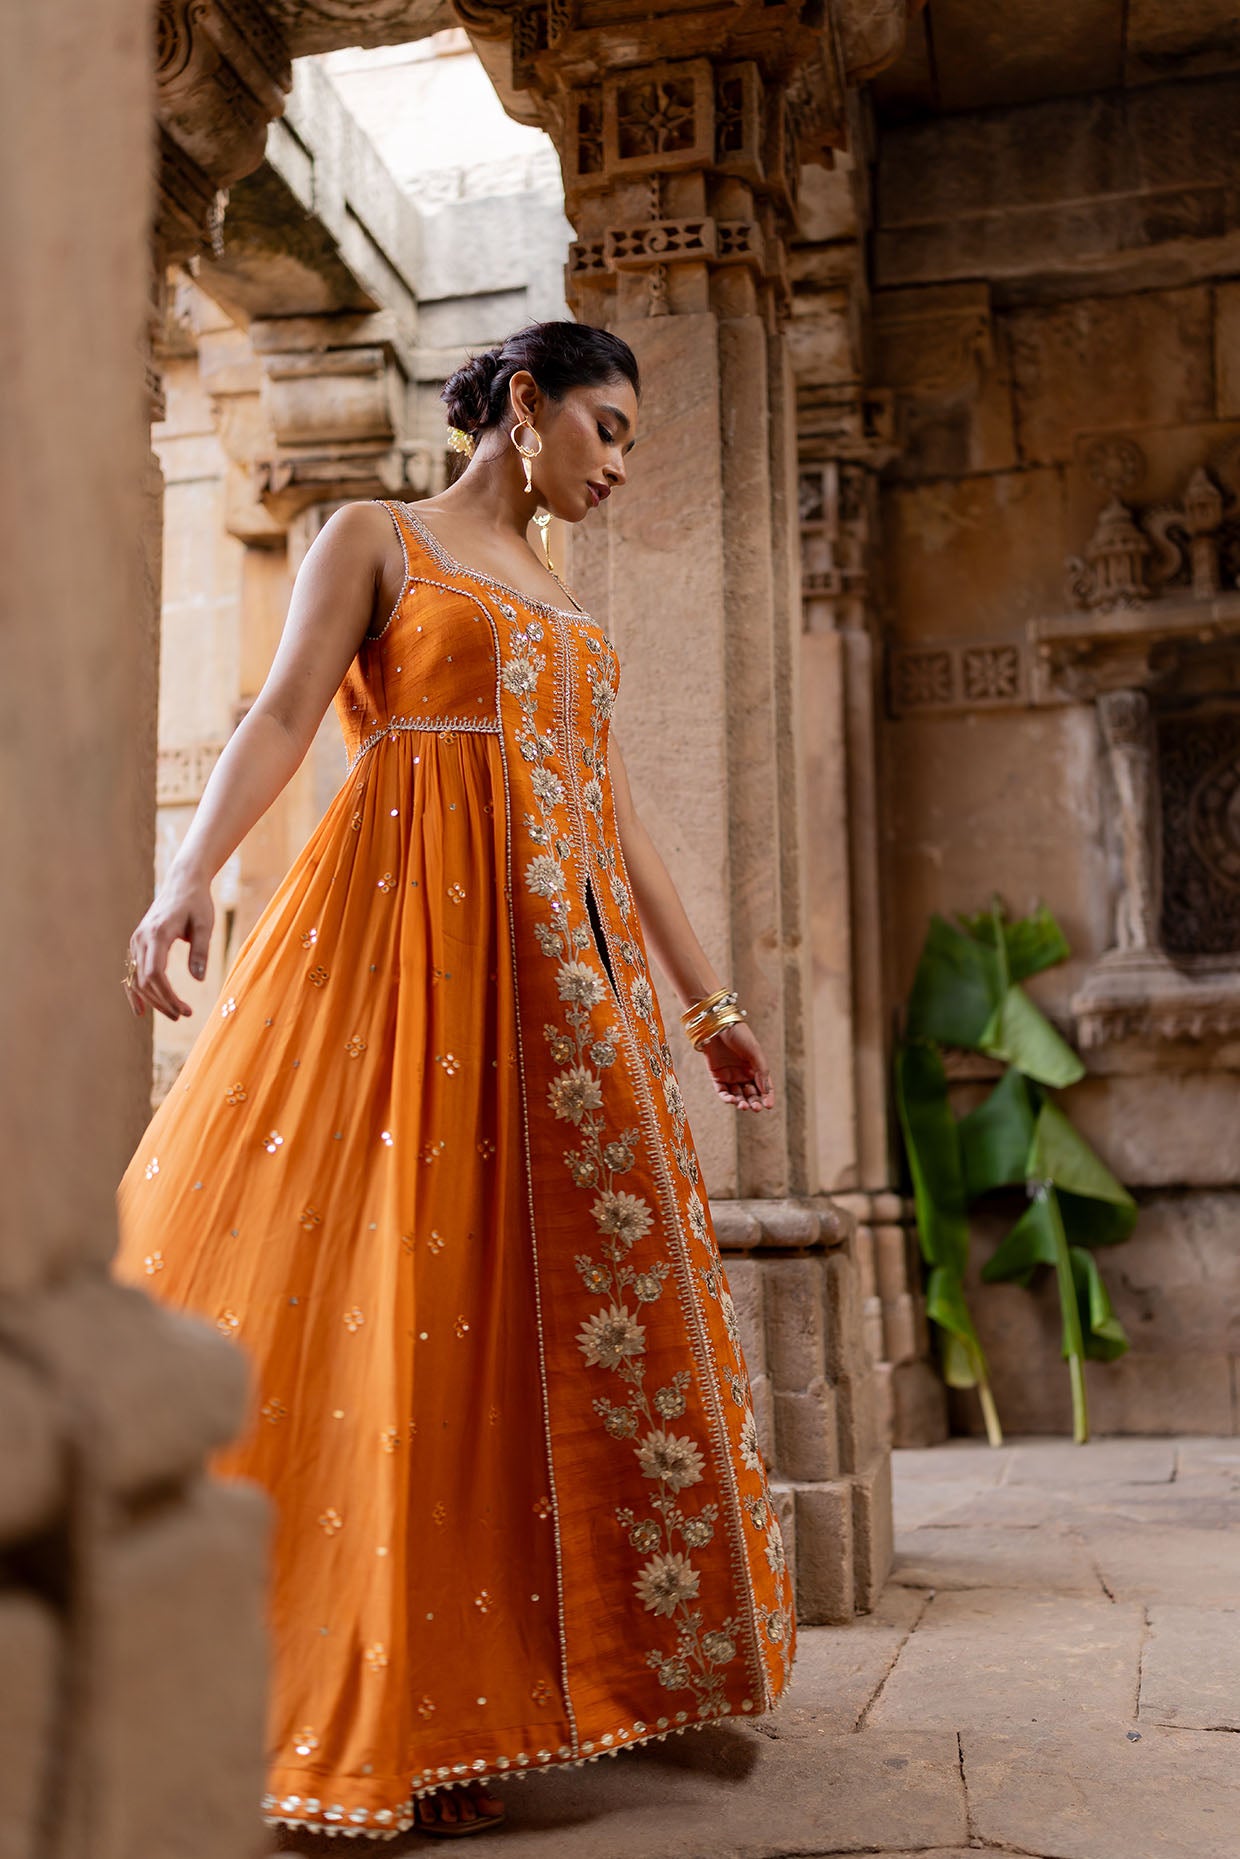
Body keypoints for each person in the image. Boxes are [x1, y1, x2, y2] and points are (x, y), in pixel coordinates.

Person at [114, 320, 796, 1842]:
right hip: (405, 950)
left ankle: (499, 1693)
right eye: (605, 429)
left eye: (630, 443)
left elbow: (615, 810)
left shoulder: (559, 594)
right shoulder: (382, 538)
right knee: (387, 1298)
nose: (617, 465)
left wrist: (710, 1006)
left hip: (558, 988)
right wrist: (187, 877)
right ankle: (362, 1714)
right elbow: (285, 711)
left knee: (524, 1309)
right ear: (524, 402)